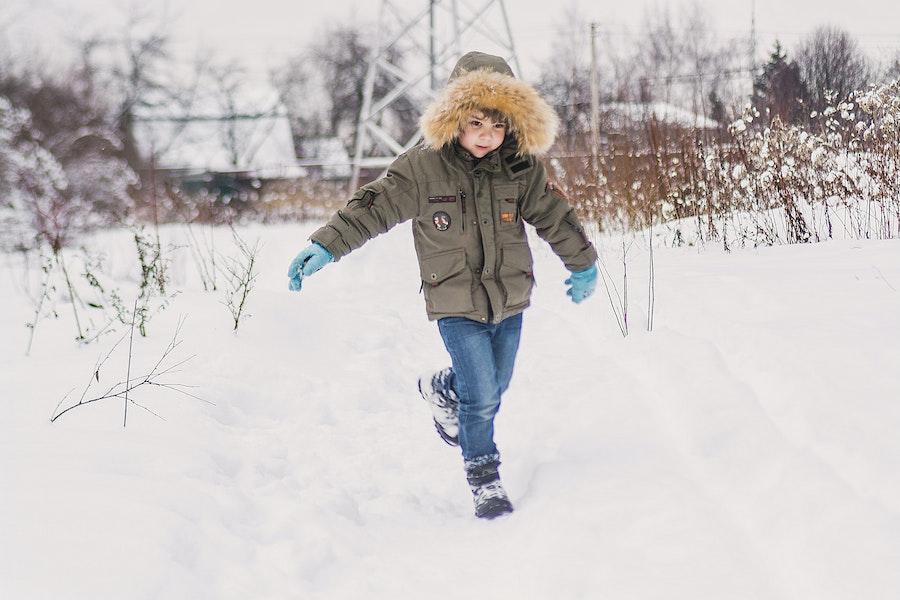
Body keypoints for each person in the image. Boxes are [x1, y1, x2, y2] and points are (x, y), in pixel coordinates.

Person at [287, 51, 598, 519]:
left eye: (497, 127)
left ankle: (442, 388)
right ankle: (484, 477)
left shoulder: (521, 167)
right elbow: (374, 207)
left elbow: (555, 216)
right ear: (454, 119)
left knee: (495, 386)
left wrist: (583, 263)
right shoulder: (423, 166)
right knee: (482, 394)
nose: (487, 138)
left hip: (510, 297)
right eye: (476, 125)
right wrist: (328, 245)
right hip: (454, 299)